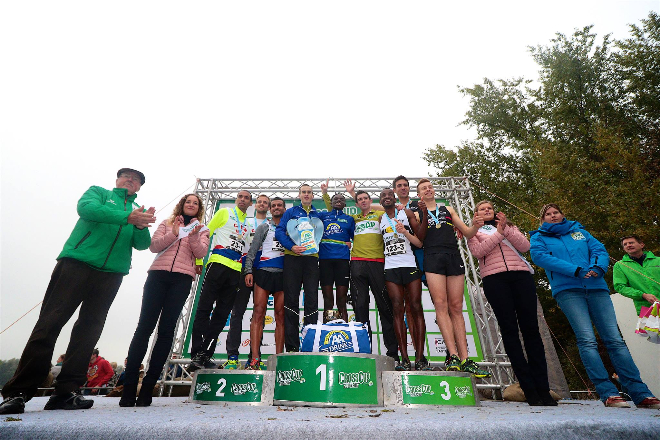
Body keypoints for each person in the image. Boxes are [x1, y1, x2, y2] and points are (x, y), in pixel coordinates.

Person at [0, 168, 154, 415]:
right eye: (126, 176)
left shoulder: (138, 210)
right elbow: (86, 209)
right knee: (49, 324)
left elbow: (143, 245)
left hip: (112, 273)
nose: (130, 180)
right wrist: (127, 218)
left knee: (88, 332)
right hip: (77, 263)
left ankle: (65, 392)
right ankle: (19, 391)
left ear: (138, 188)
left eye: (135, 180)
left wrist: (139, 224)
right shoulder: (100, 194)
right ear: (117, 180)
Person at [530, 204, 660, 409]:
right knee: (587, 339)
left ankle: (641, 393)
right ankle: (608, 393)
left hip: (597, 288)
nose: (553, 216)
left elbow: (599, 250)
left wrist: (598, 267)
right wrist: (576, 270)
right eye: (548, 214)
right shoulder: (538, 237)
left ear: (562, 215)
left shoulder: (580, 232)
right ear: (543, 219)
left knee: (615, 340)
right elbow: (541, 258)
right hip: (568, 290)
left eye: (556, 212)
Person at [120, 193, 209, 407]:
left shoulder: (203, 229)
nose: (191, 205)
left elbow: (201, 252)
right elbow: (154, 246)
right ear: (182, 205)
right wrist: (175, 234)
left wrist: (194, 236)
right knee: (144, 328)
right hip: (158, 276)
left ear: (199, 208)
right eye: (188, 202)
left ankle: (148, 389)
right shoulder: (166, 223)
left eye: (195, 203)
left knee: (167, 331)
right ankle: (129, 388)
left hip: (182, 279)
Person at [468, 200, 555, 405]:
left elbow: (525, 246)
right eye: (482, 209)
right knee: (509, 330)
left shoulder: (509, 227)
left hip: (521, 277)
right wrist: (498, 233)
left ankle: (543, 387)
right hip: (494, 280)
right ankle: (528, 389)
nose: (487, 210)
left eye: (489, 207)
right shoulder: (473, 231)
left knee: (531, 330)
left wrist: (505, 229)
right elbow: (479, 252)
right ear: (476, 214)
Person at [415, 178, 491, 377]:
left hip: (453, 256)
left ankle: (466, 359)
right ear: (419, 195)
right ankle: (453, 355)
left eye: (430, 187)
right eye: (424, 188)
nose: (428, 189)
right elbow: (419, 238)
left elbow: (467, 232)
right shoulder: (416, 213)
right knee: (440, 304)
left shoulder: (448, 209)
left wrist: (475, 225)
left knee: (457, 307)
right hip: (432, 257)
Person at [188, 190, 253, 371]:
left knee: (222, 314)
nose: (242, 200)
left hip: (236, 271)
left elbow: (246, 250)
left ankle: (206, 354)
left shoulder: (247, 225)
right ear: (236, 199)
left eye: (246, 198)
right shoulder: (225, 212)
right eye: (240, 197)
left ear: (250, 203)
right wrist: (200, 260)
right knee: (204, 308)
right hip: (217, 264)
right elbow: (204, 232)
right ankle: (196, 353)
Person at [342, 180, 398, 361]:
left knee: (385, 308)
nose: (364, 201)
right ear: (356, 204)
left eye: (366, 198)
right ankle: (363, 352)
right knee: (360, 308)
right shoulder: (354, 219)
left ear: (371, 200)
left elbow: (384, 205)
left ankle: (392, 353)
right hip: (357, 264)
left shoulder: (380, 213)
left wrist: (353, 194)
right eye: (360, 200)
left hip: (378, 263)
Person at [378, 188, 428, 370]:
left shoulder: (406, 213)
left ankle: (420, 358)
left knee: (415, 307)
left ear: (394, 197)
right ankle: (404, 359)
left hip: (409, 265)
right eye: (383, 196)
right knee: (397, 309)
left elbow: (420, 239)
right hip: (391, 268)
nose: (386, 197)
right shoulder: (380, 219)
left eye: (389, 194)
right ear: (381, 201)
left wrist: (423, 213)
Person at [223, 194, 270, 370]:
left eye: (266, 202)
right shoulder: (245, 222)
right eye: (260, 201)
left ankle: (254, 357)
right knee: (237, 313)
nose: (262, 204)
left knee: (259, 314)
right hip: (243, 269)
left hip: (263, 270)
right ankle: (232, 356)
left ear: (269, 207)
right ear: (254, 204)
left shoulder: (271, 226)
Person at [275, 184, 322, 352]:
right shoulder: (291, 212)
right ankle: (293, 347)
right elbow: (279, 232)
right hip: (293, 259)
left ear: (313, 195)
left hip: (311, 261)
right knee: (291, 301)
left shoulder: (318, 214)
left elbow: (324, 234)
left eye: (309, 192)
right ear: (299, 195)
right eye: (304, 192)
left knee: (311, 300)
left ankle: (310, 344)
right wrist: (291, 246)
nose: (307, 195)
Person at [243, 197, 287, 369]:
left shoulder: (289, 227)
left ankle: (278, 359)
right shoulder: (264, 227)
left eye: (279, 205)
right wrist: (248, 271)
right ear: (270, 209)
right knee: (258, 312)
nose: (276, 208)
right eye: (273, 205)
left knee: (280, 315)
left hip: (283, 275)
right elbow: (252, 250)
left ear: (284, 209)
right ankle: (255, 359)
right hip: (263, 272)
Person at [319, 181, 355, 321]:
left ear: (345, 204)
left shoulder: (349, 219)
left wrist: (351, 244)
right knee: (328, 300)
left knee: (341, 300)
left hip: (342, 261)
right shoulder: (323, 217)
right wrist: (325, 193)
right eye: (336, 199)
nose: (338, 201)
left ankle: (344, 330)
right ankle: (327, 332)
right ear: (331, 203)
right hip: (325, 260)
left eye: (341, 199)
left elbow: (355, 238)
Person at [613, 235, 660, 316]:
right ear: (624, 249)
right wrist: (643, 295)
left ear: (642, 245)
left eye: (631, 242)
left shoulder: (658, 260)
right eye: (625, 244)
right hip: (646, 309)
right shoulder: (619, 265)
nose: (628, 245)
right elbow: (620, 287)